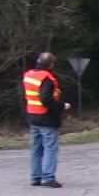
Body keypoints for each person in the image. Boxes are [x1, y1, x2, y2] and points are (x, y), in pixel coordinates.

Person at [22, 51, 71, 187]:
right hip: (46, 118)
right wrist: (63, 106)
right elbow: (46, 99)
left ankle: (35, 177)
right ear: (50, 64)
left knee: (36, 149)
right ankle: (48, 177)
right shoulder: (47, 78)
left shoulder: (28, 75)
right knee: (50, 148)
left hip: (32, 116)